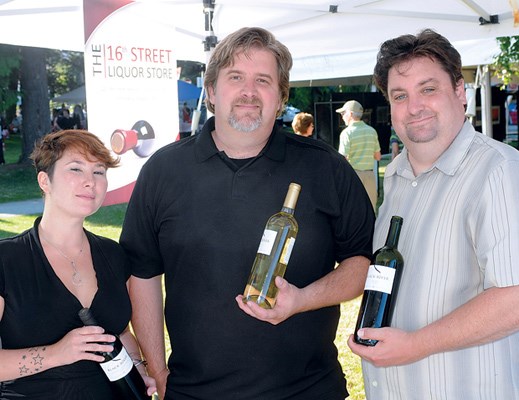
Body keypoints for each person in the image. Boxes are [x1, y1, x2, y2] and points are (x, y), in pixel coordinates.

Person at [120, 27, 375, 400]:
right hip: (194, 392)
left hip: (308, 391)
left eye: (263, 81)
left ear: (280, 97)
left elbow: (363, 263)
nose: (249, 92)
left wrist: (302, 299)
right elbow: (141, 273)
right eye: (235, 78)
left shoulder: (326, 168)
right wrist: (158, 370)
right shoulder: (163, 171)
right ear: (211, 91)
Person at [347, 29, 519, 399]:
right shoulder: (395, 177)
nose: (414, 107)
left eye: (428, 89)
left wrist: (415, 344)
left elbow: (514, 298)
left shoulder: (498, 171)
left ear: (459, 91)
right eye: (400, 96)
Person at [0, 130, 156, 399]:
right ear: (44, 181)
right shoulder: (6, 260)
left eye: (99, 172)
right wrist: (56, 353)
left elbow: (119, 332)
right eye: (76, 169)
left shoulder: (113, 255)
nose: (90, 182)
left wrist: (137, 368)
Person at [336, 100, 381, 211]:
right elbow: (378, 156)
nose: (342, 117)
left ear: (350, 114)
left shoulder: (347, 133)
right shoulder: (372, 131)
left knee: (353, 211)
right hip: (370, 175)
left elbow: (342, 160)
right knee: (370, 210)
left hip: (354, 176)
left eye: (343, 113)